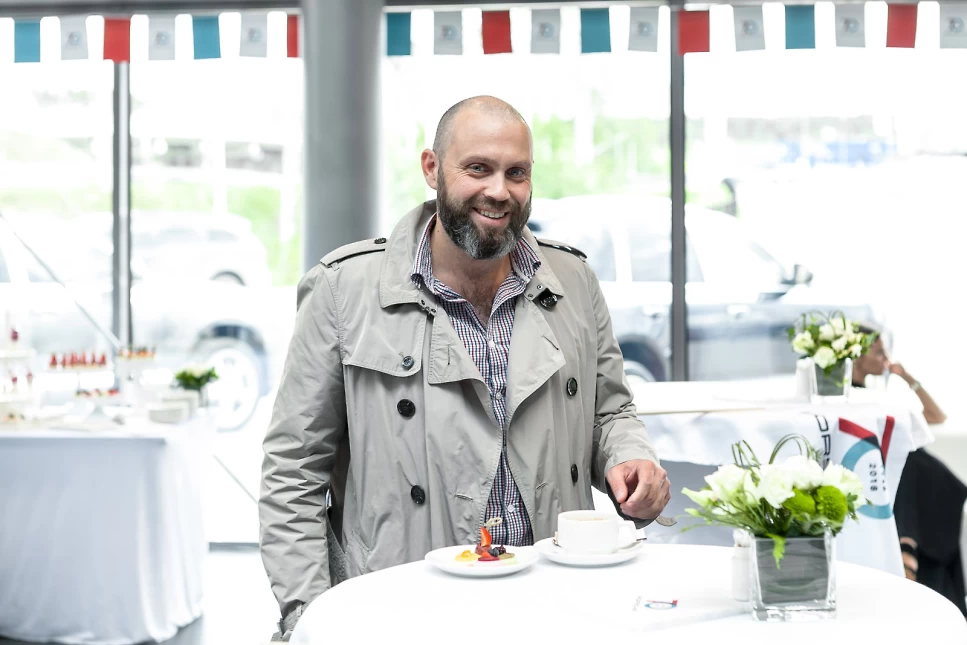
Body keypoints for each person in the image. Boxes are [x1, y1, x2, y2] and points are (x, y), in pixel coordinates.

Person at [259, 96, 670, 639]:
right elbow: (293, 469)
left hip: (555, 606)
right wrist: (309, 617)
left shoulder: (573, 281)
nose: (499, 191)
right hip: (398, 611)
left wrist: (631, 457)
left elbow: (610, 412)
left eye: (516, 173)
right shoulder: (343, 289)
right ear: (432, 169)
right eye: (478, 168)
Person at [853, 326, 965, 616]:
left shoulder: (879, 399)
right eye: (879, 352)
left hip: (920, 477)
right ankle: (907, 551)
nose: (886, 358)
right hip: (897, 476)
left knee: (907, 463)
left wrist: (906, 377)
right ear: (857, 356)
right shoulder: (843, 400)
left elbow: (936, 416)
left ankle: (907, 554)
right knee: (906, 465)